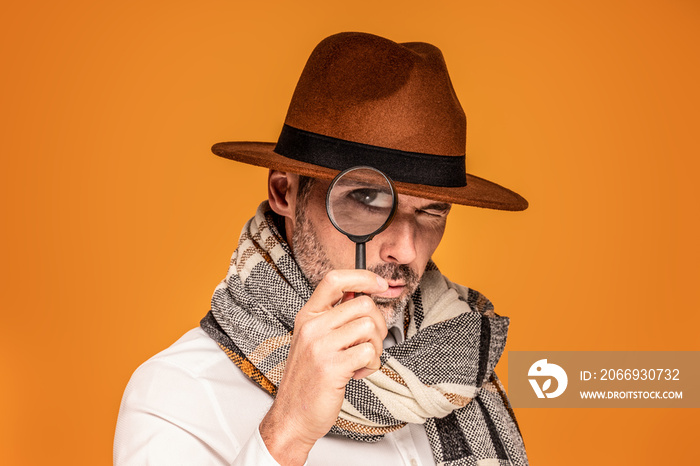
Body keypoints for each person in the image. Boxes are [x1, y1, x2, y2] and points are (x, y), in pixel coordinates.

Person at [114, 32, 529, 466]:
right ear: (283, 192)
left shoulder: (457, 357)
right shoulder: (179, 393)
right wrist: (287, 431)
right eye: (367, 200)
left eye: (432, 212)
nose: (406, 251)